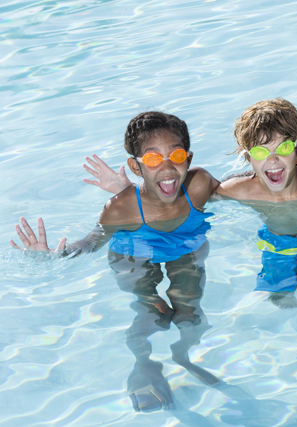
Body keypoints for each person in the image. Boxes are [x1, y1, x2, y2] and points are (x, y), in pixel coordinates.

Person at [84, 99, 297, 354]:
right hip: (277, 245)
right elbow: (171, 194)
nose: (272, 160)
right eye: (261, 152)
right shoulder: (237, 190)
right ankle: (296, 322)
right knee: (278, 296)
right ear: (248, 158)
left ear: (296, 147)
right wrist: (128, 191)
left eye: (283, 148)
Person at [10, 111, 222, 411]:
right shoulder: (121, 208)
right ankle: (144, 365)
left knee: (190, 312)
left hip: (183, 246)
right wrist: (54, 256)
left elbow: (242, 188)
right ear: (136, 166)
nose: (167, 167)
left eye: (175, 155)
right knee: (153, 311)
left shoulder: (199, 184)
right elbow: (91, 241)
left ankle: (183, 357)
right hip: (134, 251)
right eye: (152, 159)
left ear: (188, 158)